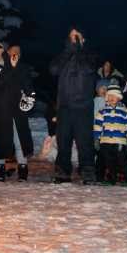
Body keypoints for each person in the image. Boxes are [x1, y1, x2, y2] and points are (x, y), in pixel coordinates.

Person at [49, 27, 99, 184]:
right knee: (63, 142)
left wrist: (79, 50)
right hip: (64, 107)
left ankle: (88, 172)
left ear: (83, 39)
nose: (74, 39)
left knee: (85, 142)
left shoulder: (90, 55)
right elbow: (53, 69)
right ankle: (63, 172)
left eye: (77, 36)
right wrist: (69, 51)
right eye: (71, 36)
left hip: (83, 107)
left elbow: (89, 68)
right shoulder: (63, 55)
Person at [0, 40, 27, 181]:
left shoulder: (11, 62)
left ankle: (23, 169)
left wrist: (28, 95)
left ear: (2, 49)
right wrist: (12, 69)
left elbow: (22, 80)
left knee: (18, 138)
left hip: (14, 108)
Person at [93, 84, 127, 185]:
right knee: (108, 161)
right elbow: (97, 126)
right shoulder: (102, 112)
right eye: (110, 96)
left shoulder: (125, 112)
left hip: (119, 141)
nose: (112, 98)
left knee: (122, 160)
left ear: (119, 98)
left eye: (114, 96)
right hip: (106, 140)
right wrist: (96, 139)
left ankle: (126, 178)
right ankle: (111, 178)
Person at [7, 45, 37, 180]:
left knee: (20, 137)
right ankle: (1, 167)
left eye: (18, 52)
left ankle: (23, 167)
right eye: (13, 51)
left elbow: (29, 86)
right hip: (4, 107)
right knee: (5, 138)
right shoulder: (2, 67)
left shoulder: (24, 68)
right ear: (8, 53)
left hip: (19, 108)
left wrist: (31, 97)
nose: (15, 54)